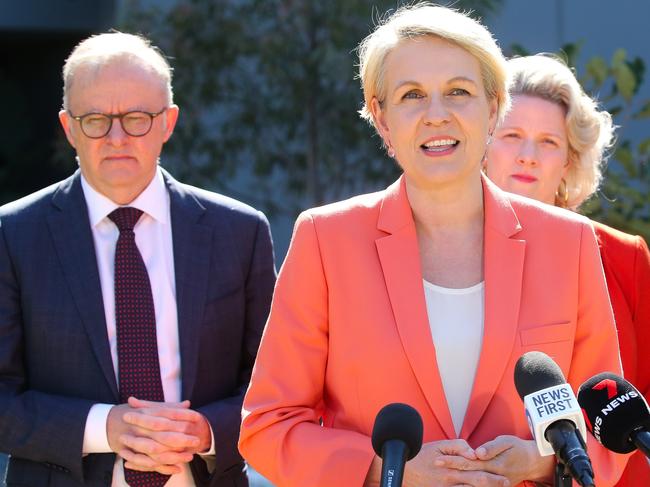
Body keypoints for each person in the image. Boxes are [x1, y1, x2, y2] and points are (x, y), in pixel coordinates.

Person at [239, 4, 628, 487]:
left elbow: (610, 419)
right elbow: (268, 427)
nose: (436, 115)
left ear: (493, 107)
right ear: (381, 118)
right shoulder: (325, 239)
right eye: (412, 95)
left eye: (458, 92)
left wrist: (543, 459)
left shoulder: (567, 243)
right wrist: (387, 469)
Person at [0, 32, 276, 487]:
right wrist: (103, 426)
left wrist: (206, 430)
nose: (116, 137)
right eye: (95, 120)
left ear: (168, 123)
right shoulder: (13, 235)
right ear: (69, 127)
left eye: (136, 119)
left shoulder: (239, 232)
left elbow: (277, 387)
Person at [484, 53, 650, 487]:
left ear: (569, 163)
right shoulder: (439, 254)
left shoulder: (624, 257)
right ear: (481, 147)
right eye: (512, 135)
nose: (528, 156)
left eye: (548, 142)